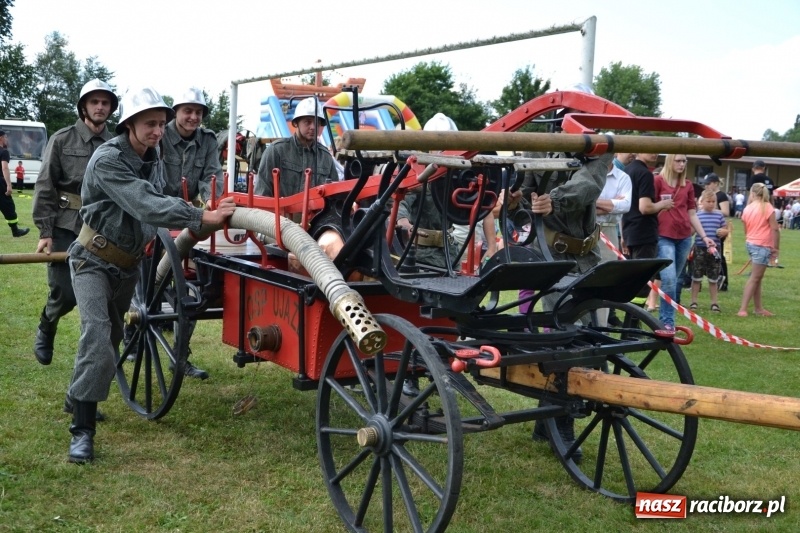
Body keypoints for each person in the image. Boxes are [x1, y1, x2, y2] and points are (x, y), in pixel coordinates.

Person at [65, 87, 236, 464]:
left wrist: (205, 209)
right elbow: (145, 202)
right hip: (92, 260)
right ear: (129, 124)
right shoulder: (108, 159)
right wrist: (200, 217)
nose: (158, 131)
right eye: (149, 124)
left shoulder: (152, 156)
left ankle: (76, 395)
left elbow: (158, 198)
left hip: (127, 266)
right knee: (98, 334)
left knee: (111, 336)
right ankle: (82, 431)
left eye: (161, 124)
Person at [31, 79, 117, 369]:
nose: (100, 107)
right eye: (94, 102)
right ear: (84, 106)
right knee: (65, 293)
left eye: (105, 103)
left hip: (105, 228)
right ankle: (47, 324)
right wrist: (45, 231)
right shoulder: (62, 139)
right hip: (67, 226)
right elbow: (45, 185)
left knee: (105, 296)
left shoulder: (117, 144)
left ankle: (98, 355)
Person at [160, 87, 224, 380]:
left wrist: (212, 201)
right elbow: (150, 176)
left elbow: (212, 175)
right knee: (147, 281)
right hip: (158, 216)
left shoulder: (207, 140)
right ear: (176, 112)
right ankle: (133, 332)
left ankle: (180, 357)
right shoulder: (159, 135)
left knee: (190, 289)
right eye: (188, 111)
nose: (193, 117)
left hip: (189, 219)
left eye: (198, 112)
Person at [255, 97, 343, 268]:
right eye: (307, 122)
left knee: (339, 247)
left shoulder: (326, 157)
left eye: (317, 123)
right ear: (296, 123)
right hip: (275, 225)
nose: (313, 127)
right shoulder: (276, 151)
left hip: (314, 227)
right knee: (302, 247)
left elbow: (334, 201)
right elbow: (262, 197)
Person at [653, 154, 717, 330]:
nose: (682, 164)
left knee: (674, 280)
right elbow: (649, 207)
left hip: (684, 237)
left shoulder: (687, 185)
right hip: (663, 236)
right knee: (669, 280)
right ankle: (667, 322)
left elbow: (692, 214)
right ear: (670, 161)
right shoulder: (658, 181)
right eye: (678, 161)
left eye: (684, 161)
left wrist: (704, 236)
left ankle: (666, 321)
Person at [620, 148, 672, 309]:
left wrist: (623, 235)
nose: (655, 153)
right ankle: (634, 317)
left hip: (629, 229)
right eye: (649, 149)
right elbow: (645, 207)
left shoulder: (626, 171)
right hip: (644, 232)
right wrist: (663, 204)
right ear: (638, 151)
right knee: (643, 280)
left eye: (657, 149)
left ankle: (631, 314)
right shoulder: (645, 173)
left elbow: (623, 206)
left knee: (633, 277)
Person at [595, 152, 631, 325]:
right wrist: (611, 203)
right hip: (584, 229)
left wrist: (594, 203)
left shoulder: (623, 177)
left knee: (604, 281)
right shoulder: (585, 173)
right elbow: (581, 205)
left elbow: (625, 205)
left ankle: (600, 328)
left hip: (608, 231)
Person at [737, 183, 779, 317]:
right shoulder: (767, 207)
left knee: (757, 277)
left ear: (752, 194)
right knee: (755, 277)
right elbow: (775, 229)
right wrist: (776, 248)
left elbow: (745, 228)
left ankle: (758, 308)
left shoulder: (747, 208)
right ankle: (743, 309)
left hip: (750, 243)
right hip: (762, 245)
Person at [689, 190, 728, 312]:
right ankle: (694, 301)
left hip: (715, 249)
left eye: (713, 201)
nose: (711, 204)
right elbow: (692, 231)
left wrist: (725, 232)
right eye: (708, 201)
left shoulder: (719, 215)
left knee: (713, 278)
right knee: (696, 277)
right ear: (702, 201)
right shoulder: (697, 215)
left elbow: (725, 228)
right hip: (700, 248)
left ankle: (714, 303)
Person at [703, 173, 731, 291]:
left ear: (715, 183)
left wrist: (711, 209)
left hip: (718, 227)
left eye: (708, 183)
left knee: (718, 255)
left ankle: (723, 280)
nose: (706, 186)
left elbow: (726, 212)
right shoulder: (707, 194)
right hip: (708, 226)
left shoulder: (721, 195)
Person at [0, 130, 30, 237]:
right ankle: (15, 231)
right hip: (0, 183)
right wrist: (8, 185)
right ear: (1, 138)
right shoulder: (4, 152)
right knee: (8, 206)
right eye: (5, 137)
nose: (7, 139)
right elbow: (4, 168)